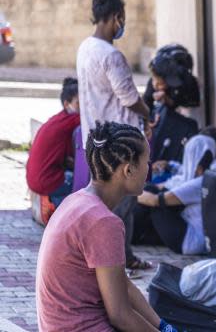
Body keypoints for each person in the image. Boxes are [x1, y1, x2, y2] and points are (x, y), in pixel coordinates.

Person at [36, 121, 177, 332]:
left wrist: (163, 326)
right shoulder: (103, 222)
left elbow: (123, 285)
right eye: (147, 162)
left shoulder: (76, 200)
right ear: (128, 170)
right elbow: (120, 315)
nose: (149, 169)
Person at [76, 0, 152, 270]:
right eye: (123, 18)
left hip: (95, 136)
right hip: (121, 141)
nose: (123, 25)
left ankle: (123, 255)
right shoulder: (111, 55)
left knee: (107, 198)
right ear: (115, 17)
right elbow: (129, 98)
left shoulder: (85, 48)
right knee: (122, 201)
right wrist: (148, 113)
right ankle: (112, 260)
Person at [134, 128, 216, 254]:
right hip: (192, 236)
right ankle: (131, 236)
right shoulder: (209, 177)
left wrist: (131, 194)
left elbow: (156, 201)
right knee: (150, 195)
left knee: (153, 199)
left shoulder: (200, 182)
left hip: (190, 241)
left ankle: (126, 234)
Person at [26, 77, 80, 207]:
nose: (84, 107)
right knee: (83, 183)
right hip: (46, 181)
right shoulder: (70, 121)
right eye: (79, 103)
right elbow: (94, 118)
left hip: (35, 179)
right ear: (67, 104)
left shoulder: (58, 119)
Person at [143, 44, 200, 113]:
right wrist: (148, 120)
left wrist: (169, 101)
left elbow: (191, 103)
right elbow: (146, 105)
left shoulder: (187, 83)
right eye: (154, 79)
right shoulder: (154, 82)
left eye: (162, 83)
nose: (156, 86)